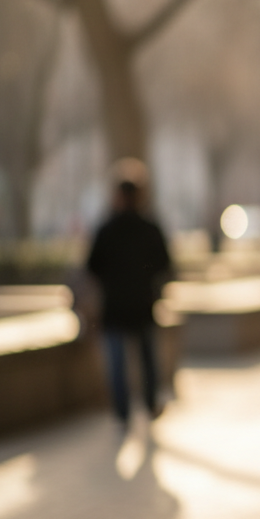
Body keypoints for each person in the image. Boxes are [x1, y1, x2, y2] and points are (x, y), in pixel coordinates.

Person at [86, 173, 173, 428]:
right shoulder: (150, 228)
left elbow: (93, 267)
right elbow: (164, 265)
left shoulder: (106, 229)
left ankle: (122, 412)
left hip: (114, 307)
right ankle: (149, 403)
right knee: (147, 360)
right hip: (143, 305)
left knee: (117, 363)